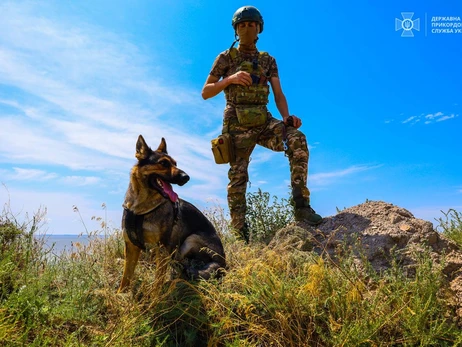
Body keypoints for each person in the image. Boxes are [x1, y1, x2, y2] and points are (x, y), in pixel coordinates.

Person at [201, 5, 322, 242]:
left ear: (259, 28)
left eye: (251, 24)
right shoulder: (225, 58)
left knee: (297, 139)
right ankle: (239, 233)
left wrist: (287, 119)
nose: (246, 28)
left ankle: (301, 206)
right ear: (236, 29)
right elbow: (206, 91)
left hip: (264, 120)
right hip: (236, 123)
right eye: (242, 25)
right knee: (238, 178)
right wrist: (231, 79)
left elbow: (278, 94)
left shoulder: (267, 60)